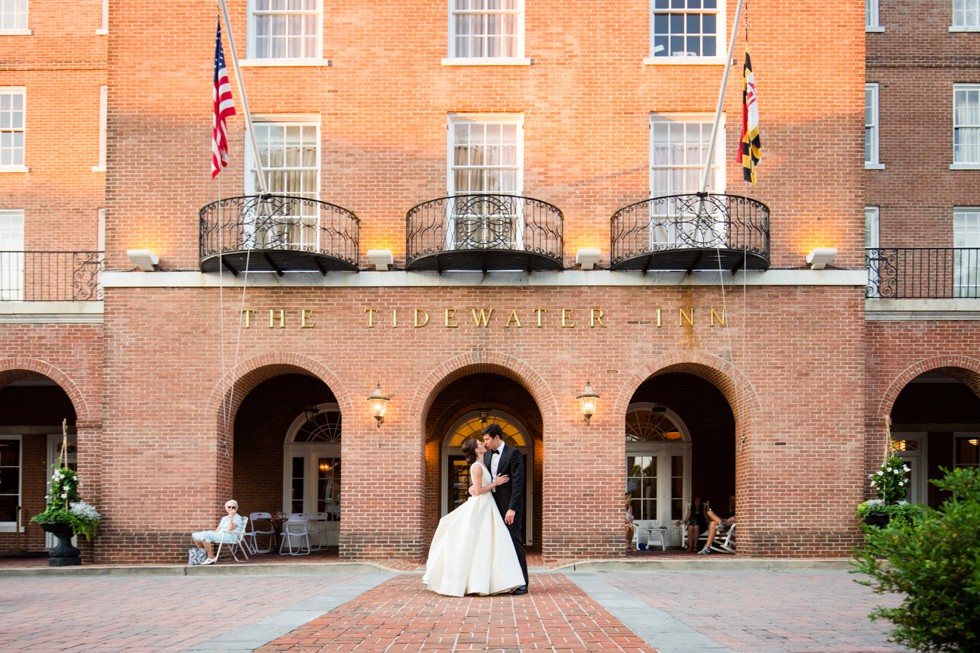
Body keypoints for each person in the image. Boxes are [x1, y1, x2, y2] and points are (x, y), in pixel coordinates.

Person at [422, 437, 526, 597]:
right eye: (480, 443)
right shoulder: (477, 466)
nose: (483, 444)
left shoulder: (484, 462)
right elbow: (477, 491)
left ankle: (492, 581)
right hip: (482, 505)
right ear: (477, 450)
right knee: (479, 542)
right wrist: (495, 483)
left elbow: (475, 488)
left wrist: (477, 487)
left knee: (490, 543)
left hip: (488, 505)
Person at [481, 423, 529, 594]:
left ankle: (522, 582)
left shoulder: (513, 453)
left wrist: (512, 508)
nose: (485, 443)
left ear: (496, 438)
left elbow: (518, 483)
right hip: (491, 505)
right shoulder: (486, 456)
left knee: (514, 540)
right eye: (483, 440)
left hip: (508, 506)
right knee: (495, 543)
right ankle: (503, 581)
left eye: (487, 439)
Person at [191, 499, 244, 565]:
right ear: (226, 508)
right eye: (229, 507)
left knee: (205, 535)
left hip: (230, 536)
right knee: (195, 535)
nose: (231, 509)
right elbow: (217, 530)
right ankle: (203, 556)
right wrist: (210, 531)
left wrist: (231, 517)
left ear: (236, 509)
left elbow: (230, 529)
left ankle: (211, 557)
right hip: (221, 534)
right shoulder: (224, 518)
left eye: (233, 507)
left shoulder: (237, 518)